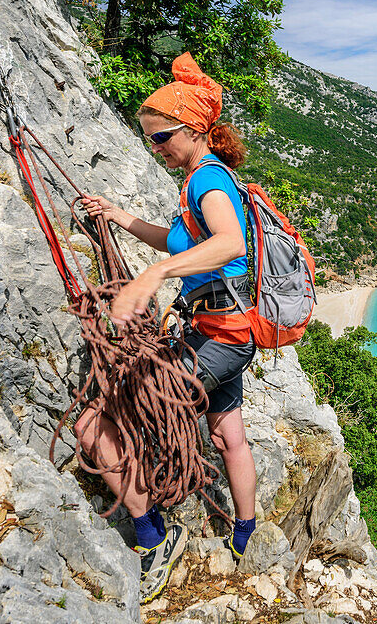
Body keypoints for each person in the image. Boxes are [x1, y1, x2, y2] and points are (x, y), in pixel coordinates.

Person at [77, 52, 258, 604]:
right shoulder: (203, 181)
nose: (157, 150)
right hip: (229, 335)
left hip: (217, 336)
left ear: (193, 129)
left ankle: (155, 534)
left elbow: (230, 243)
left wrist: (151, 278)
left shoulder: (207, 181)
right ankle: (244, 531)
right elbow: (181, 242)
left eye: (161, 139)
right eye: (151, 140)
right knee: (228, 435)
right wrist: (119, 217)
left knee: (91, 425)